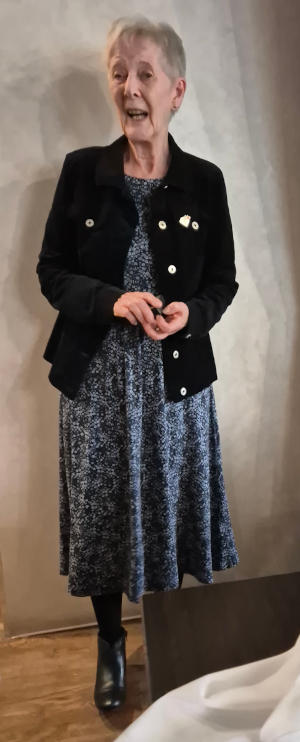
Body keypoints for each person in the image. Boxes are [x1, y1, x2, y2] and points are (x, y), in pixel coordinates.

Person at [36, 15, 240, 712]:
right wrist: (115, 301)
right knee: (101, 517)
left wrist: (194, 313)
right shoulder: (80, 174)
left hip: (175, 385)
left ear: (176, 89)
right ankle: (108, 640)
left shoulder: (205, 183)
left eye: (144, 74)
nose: (129, 87)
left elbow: (223, 281)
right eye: (118, 73)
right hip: (96, 386)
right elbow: (52, 273)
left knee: (170, 509)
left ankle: (165, 634)